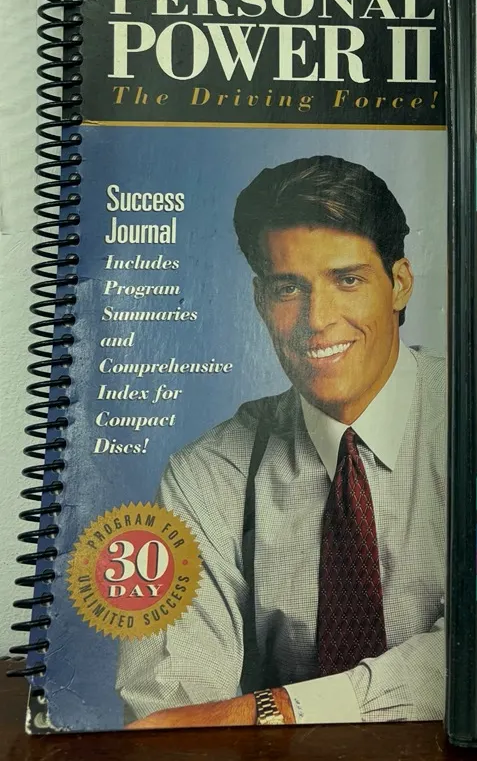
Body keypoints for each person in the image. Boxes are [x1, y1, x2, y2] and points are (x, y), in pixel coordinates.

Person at [115, 155, 446, 728]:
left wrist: (287, 707)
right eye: (289, 287)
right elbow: (173, 718)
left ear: (399, 283)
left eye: (347, 280)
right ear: (260, 301)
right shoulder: (207, 475)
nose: (317, 320)